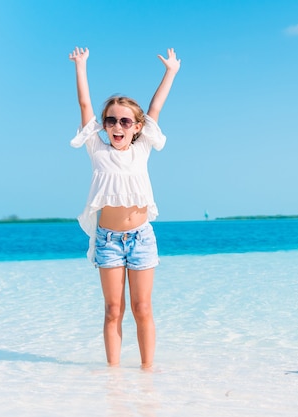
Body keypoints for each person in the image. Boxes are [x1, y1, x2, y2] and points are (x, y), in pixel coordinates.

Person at [68, 46, 180, 369]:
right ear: (104, 126)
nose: (118, 126)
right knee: (113, 309)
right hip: (108, 241)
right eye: (111, 120)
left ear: (137, 127)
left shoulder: (142, 148)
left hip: (142, 238)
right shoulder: (97, 150)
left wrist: (170, 72)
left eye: (125, 121)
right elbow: (85, 104)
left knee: (142, 308)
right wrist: (81, 65)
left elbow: (156, 107)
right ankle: (113, 376)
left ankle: (148, 372)